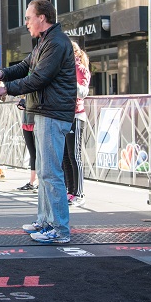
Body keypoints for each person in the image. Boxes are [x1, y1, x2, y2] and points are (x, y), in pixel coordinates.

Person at [0, 0, 76, 244]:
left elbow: (39, 78)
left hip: (53, 113)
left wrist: (4, 89)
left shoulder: (57, 43)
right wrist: (2, 73)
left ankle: (59, 229)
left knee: (50, 172)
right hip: (44, 111)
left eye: (29, 17)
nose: (26, 22)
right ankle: (45, 221)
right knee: (44, 171)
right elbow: (25, 66)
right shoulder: (45, 41)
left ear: (42, 17)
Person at [63, 41, 91, 206]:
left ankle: (79, 193)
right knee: (65, 156)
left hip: (76, 116)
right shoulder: (65, 69)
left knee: (75, 155)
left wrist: (70, 81)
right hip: (64, 115)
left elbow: (83, 92)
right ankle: (70, 191)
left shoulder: (80, 69)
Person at [16, 97, 38, 192]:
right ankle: (32, 181)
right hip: (26, 121)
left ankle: (39, 182)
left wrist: (28, 103)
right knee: (32, 154)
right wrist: (21, 102)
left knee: (39, 153)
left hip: (36, 121)